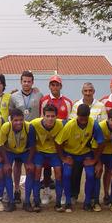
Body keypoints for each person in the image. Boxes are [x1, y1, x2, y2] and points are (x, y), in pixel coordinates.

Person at [55, 104, 104, 212]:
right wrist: (63, 158)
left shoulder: (93, 124)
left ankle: (87, 202)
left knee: (91, 175)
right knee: (67, 174)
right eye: (81, 118)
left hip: (86, 154)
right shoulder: (70, 125)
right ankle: (68, 202)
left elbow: (101, 143)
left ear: (89, 116)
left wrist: (95, 160)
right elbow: (58, 142)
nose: (83, 121)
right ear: (77, 115)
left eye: (85, 118)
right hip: (70, 154)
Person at [69, 82, 108, 203]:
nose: (88, 93)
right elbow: (73, 123)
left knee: (93, 172)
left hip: (94, 146)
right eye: (85, 91)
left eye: (90, 90)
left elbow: (103, 124)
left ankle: (91, 197)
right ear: (82, 92)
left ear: (93, 92)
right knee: (75, 172)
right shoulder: (76, 105)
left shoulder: (101, 106)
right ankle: (74, 195)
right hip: (78, 145)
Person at [9, 70, 43, 203]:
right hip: (19, 132)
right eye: (24, 81)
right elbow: (11, 114)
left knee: (31, 163)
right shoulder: (14, 96)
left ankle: (34, 192)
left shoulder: (39, 94)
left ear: (32, 82)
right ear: (21, 82)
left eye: (29, 81)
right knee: (17, 164)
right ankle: (16, 189)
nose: (27, 84)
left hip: (33, 131)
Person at [39, 75, 73, 204]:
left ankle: (63, 191)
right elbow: (41, 119)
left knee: (62, 168)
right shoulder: (44, 100)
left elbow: (69, 123)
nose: (55, 87)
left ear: (61, 86)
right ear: (49, 86)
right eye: (52, 84)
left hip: (62, 142)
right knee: (46, 168)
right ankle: (46, 191)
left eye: (57, 84)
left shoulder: (68, 102)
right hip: (47, 142)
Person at [0, 108, 35, 212]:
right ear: (11, 120)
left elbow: (32, 146)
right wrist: (6, 163)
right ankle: (11, 201)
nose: (18, 122)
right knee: (7, 170)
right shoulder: (6, 127)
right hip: (10, 151)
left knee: (30, 170)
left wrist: (29, 162)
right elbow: (1, 145)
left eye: (21, 120)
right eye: (16, 120)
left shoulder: (29, 127)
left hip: (25, 151)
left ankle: (27, 201)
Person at [31, 105, 65, 211]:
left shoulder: (61, 124)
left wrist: (62, 157)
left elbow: (61, 142)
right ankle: (36, 201)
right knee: (37, 171)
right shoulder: (34, 123)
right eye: (47, 116)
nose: (50, 118)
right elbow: (31, 141)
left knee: (59, 172)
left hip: (54, 152)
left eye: (53, 116)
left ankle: (58, 203)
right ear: (43, 116)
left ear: (56, 116)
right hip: (40, 152)